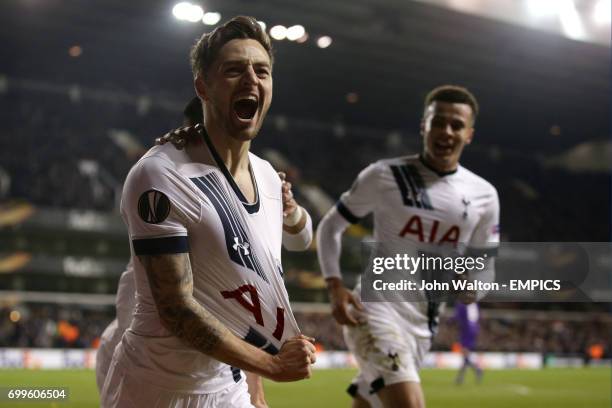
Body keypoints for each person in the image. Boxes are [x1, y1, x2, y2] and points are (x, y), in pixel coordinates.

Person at [101, 16, 315, 408]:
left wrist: (257, 392)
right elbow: (177, 311)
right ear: (203, 86)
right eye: (234, 70)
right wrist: (273, 365)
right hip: (156, 389)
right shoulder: (161, 174)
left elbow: (247, 295)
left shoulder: (267, 178)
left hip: (227, 383)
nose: (251, 79)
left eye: (262, 71)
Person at [316, 85, 500, 408]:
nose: (446, 131)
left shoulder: (485, 195)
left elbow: (484, 271)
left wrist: (472, 288)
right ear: (423, 126)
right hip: (374, 311)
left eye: (456, 125)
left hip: (422, 328)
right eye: (438, 122)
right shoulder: (385, 175)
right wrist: (334, 286)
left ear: (469, 134)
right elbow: (331, 226)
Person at [453, 302, 483, 385]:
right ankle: (461, 377)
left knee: (465, 353)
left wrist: (450, 321)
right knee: (465, 354)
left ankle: (477, 370)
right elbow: (477, 316)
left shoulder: (462, 303)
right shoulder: (474, 303)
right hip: (472, 328)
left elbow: (458, 316)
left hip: (466, 330)